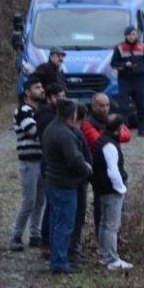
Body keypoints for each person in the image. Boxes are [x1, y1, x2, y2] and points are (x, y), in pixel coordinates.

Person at [41, 98, 93, 275]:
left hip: (53, 182)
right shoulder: (65, 134)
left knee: (56, 224)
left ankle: (57, 259)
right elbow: (74, 160)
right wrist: (86, 168)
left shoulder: (50, 129)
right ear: (73, 116)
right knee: (64, 225)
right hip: (65, 185)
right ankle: (60, 262)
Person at [80, 93, 132, 238]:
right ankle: (103, 240)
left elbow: (127, 134)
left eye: (107, 105)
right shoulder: (88, 123)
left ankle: (113, 239)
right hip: (98, 169)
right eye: (101, 105)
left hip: (113, 164)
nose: (105, 108)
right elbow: (98, 140)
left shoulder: (108, 120)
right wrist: (112, 133)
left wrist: (110, 133)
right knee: (101, 208)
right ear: (94, 106)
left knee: (117, 210)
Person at [92, 113, 133, 270]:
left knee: (104, 223)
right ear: (119, 128)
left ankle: (104, 255)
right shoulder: (110, 145)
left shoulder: (102, 140)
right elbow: (113, 171)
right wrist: (121, 188)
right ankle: (112, 259)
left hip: (102, 188)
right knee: (112, 226)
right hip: (111, 190)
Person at [10, 78, 46, 252]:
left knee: (40, 201)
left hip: (42, 159)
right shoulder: (23, 111)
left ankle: (35, 234)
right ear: (27, 92)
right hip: (29, 160)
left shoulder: (40, 111)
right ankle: (17, 235)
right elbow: (34, 132)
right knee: (29, 200)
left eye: (41, 87)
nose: (41, 90)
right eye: (37, 87)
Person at [34, 83, 66, 259]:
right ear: (49, 98)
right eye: (58, 96)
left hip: (51, 163)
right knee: (52, 205)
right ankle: (46, 241)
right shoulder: (46, 117)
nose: (61, 99)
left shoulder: (54, 114)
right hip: (50, 163)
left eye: (63, 95)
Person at [111, 26, 144, 137]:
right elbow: (113, 63)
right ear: (126, 35)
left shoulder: (142, 47)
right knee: (123, 107)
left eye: (133, 34)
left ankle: (142, 129)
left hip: (139, 80)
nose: (131, 37)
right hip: (125, 81)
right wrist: (125, 65)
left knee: (141, 106)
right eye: (129, 34)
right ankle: (124, 130)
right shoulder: (119, 48)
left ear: (136, 35)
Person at [67, 102, 94, 265]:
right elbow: (76, 159)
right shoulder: (75, 134)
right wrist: (87, 170)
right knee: (76, 218)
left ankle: (74, 249)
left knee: (77, 217)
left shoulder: (73, 133)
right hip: (77, 181)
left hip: (78, 181)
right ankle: (72, 251)